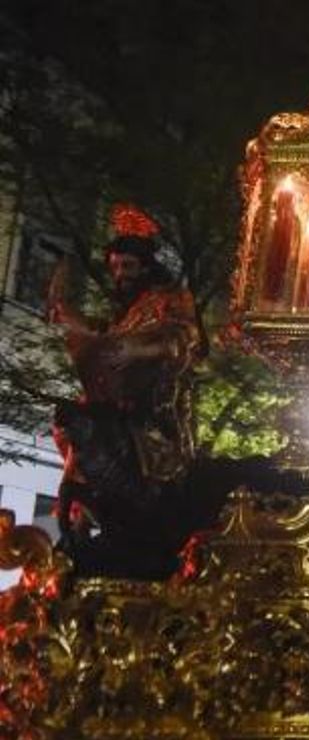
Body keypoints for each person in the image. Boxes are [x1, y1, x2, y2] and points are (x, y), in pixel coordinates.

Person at [47, 204, 201, 572]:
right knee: (76, 430)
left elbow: (185, 341)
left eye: (128, 267)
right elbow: (104, 337)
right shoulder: (125, 312)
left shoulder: (171, 299)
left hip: (153, 405)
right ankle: (78, 520)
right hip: (112, 399)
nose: (120, 275)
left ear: (146, 266)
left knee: (105, 434)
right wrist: (74, 322)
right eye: (115, 267)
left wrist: (137, 349)